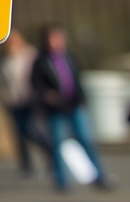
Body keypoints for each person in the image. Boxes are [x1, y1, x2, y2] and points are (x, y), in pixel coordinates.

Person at [31, 24, 111, 192]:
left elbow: (76, 78)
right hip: (55, 109)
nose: (57, 41)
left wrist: (82, 99)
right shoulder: (41, 60)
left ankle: (99, 176)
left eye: (59, 37)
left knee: (86, 140)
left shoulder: (69, 56)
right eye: (53, 38)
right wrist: (47, 96)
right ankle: (62, 180)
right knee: (58, 144)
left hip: (74, 105)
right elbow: (36, 85)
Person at [0, 30, 50, 179]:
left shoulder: (30, 54)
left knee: (31, 130)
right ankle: (26, 166)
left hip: (29, 98)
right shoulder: (5, 59)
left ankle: (50, 151)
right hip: (13, 100)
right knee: (19, 134)